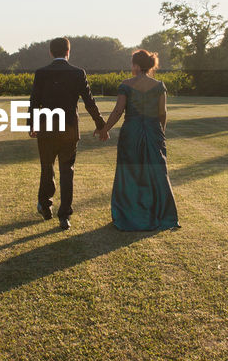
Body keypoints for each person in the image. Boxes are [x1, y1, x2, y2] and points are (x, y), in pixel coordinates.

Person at [95, 49, 179, 231]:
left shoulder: (126, 85)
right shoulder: (159, 86)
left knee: (130, 172)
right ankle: (161, 214)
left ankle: (129, 214)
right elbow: (162, 112)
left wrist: (104, 129)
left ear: (137, 65)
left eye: (132, 64)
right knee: (157, 172)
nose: (131, 67)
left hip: (131, 131)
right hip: (153, 130)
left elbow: (118, 111)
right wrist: (160, 132)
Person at [29, 37, 106, 230]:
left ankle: (45, 205)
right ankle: (64, 216)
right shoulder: (78, 73)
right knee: (67, 171)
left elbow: (34, 101)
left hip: (46, 127)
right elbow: (89, 101)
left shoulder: (41, 73)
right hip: (70, 129)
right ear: (68, 52)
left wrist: (31, 124)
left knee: (47, 168)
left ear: (50, 52)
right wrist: (100, 123)